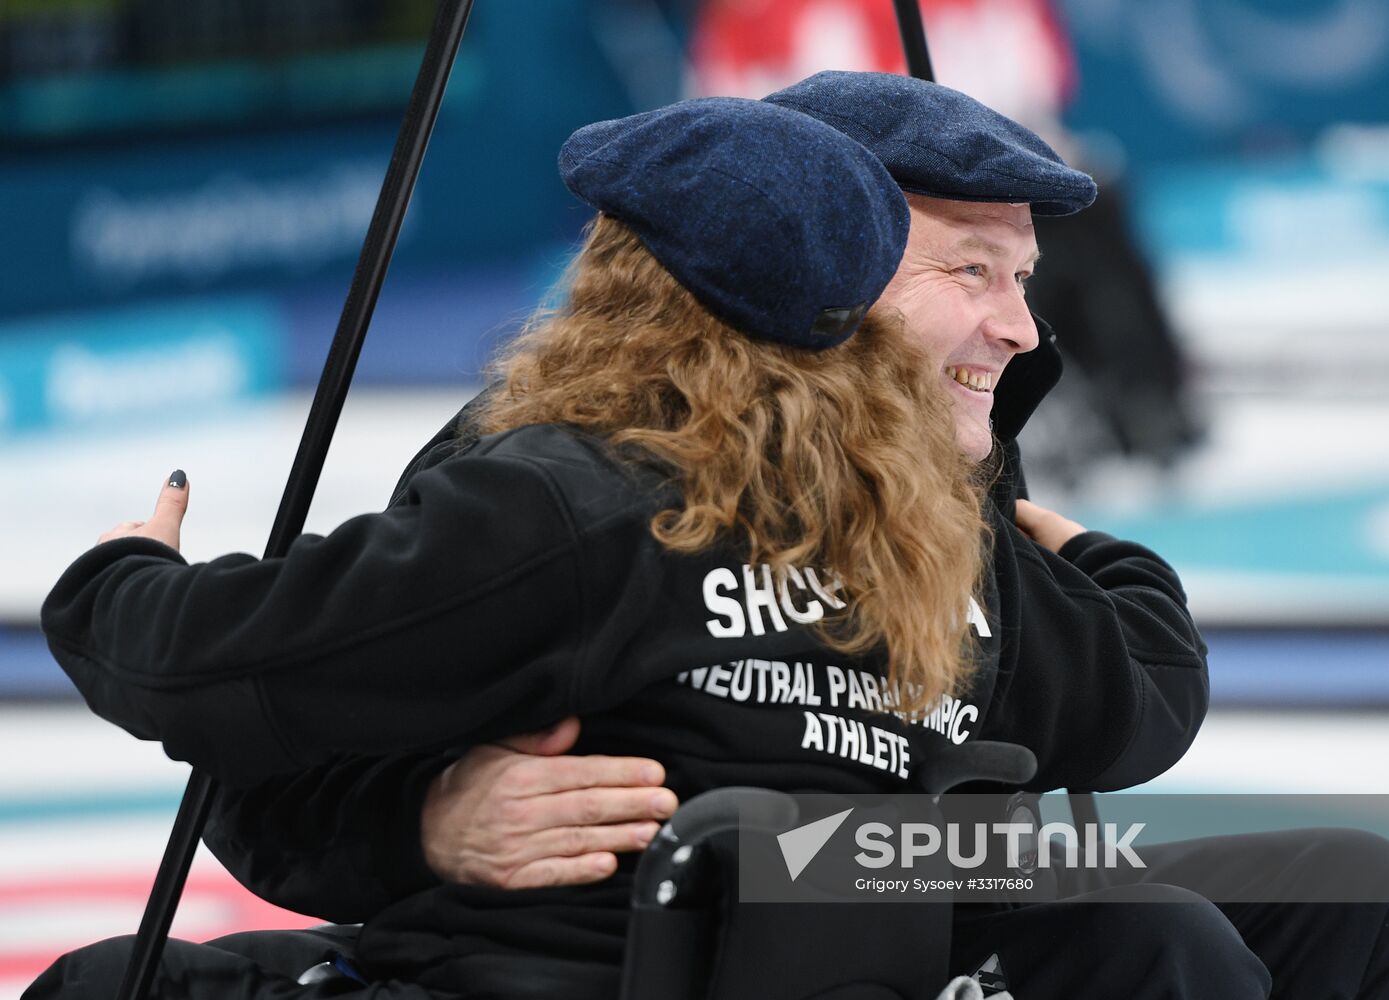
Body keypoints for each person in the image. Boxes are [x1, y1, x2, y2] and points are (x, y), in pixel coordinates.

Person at [203, 75, 1389, 998]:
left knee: (1356, 890)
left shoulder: (948, 452)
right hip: (708, 916)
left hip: (924, 880)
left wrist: (1102, 566)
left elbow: (1126, 701)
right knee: (1148, 939)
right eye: (972, 270)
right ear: (810, 252)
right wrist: (426, 821)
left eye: (1022, 275)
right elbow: (261, 768)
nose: (1021, 327)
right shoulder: (560, 463)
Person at [31, 95, 1008, 999]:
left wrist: (118, 580)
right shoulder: (961, 554)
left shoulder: (570, 506)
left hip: (519, 975)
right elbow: (1147, 698)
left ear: (626, 286)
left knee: (104, 984)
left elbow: (220, 673)